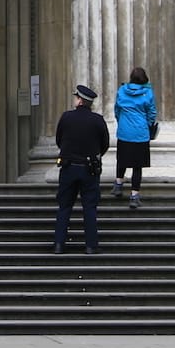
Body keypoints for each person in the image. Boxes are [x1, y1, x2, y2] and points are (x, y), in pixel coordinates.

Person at [53, 85, 111, 255]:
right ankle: (91, 246)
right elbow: (104, 144)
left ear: (79, 100)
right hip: (89, 168)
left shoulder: (66, 117)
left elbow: (59, 139)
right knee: (89, 208)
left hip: (68, 166)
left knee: (64, 207)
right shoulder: (98, 120)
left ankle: (59, 244)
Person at [113, 67, 158, 209]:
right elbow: (151, 113)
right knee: (137, 166)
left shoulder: (121, 91)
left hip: (124, 132)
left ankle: (118, 185)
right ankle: (134, 196)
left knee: (122, 160)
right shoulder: (148, 93)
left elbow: (117, 110)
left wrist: (122, 123)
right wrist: (148, 125)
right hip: (140, 134)